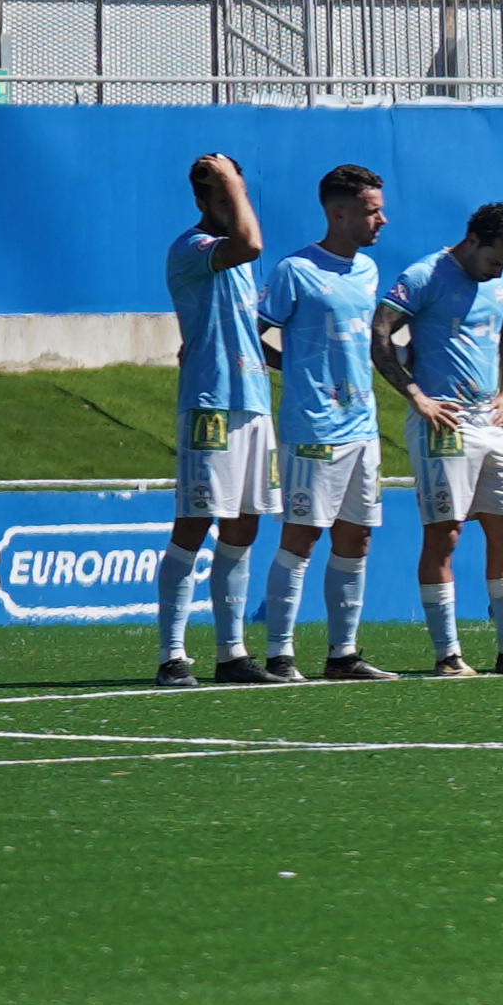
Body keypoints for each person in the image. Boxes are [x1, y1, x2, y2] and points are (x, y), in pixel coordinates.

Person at [245, 161, 400, 683]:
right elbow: (256, 332)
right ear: (339, 212)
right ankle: (279, 655)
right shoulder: (295, 271)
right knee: (302, 536)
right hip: (314, 429)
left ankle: (343, 655)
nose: (382, 220)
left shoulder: (368, 270)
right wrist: (295, 371)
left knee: (357, 538)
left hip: (363, 427)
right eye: (372, 211)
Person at [390, 198, 503, 678]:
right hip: (444, 426)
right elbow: (380, 334)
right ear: (473, 239)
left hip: (490, 423)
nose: (497, 271)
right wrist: (417, 395)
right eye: (494, 260)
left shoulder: (500, 277)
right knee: (446, 534)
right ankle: (448, 656)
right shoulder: (424, 275)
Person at [154, 152, 274, 687]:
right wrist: (231, 183)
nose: (233, 206)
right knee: (195, 522)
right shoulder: (192, 248)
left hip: (252, 401)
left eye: (237, 196)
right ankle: (172, 656)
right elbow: (250, 241)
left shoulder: (241, 263)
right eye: (222, 198)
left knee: (243, 525)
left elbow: (247, 333)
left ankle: (232, 653)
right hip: (211, 402)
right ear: (201, 202)